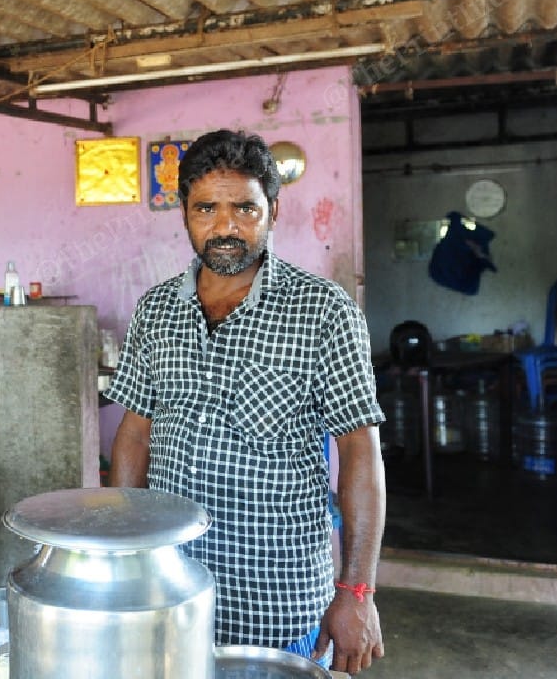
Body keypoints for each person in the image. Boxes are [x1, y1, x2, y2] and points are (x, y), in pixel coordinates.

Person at [105, 130, 386, 675]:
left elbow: (360, 451)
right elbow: (134, 432)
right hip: (171, 591)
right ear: (184, 212)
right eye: (206, 208)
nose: (225, 226)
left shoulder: (324, 312)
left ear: (273, 210)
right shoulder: (156, 310)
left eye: (244, 208)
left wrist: (356, 589)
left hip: (277, 604)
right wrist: (129, 556)